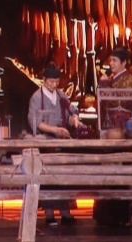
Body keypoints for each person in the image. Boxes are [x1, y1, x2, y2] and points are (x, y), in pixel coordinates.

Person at [94, 46, 132, 226]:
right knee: (107, 169)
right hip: (108, 128)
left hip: (122, 129)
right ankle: (107, 215)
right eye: (110, 60)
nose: (111, 64)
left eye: (115, 61)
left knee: (121, 169)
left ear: (124, 63)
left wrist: (105, 86)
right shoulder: (112, 79)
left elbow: (118, 103)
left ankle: (123, 214)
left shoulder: (129, 81)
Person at [27, 63, 84, 226]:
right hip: (45, 142)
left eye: (56, 82)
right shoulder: (37, 97)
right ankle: (49, 213)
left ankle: (66, 211)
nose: (54, 85)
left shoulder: (61, 95)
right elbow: (35, 122)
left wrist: (74, 120)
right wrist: (55, 130)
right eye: (51, 82)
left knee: (64, 177)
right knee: (48, 178)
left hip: (61, 142)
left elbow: (70, 113)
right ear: (44, 80)